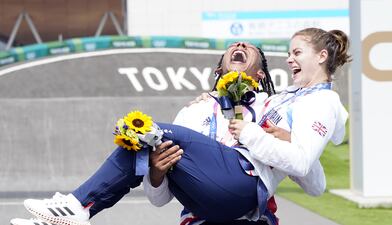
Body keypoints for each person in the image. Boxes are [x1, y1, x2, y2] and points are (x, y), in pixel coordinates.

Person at [12, 27, 350, 224]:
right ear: (218, 70)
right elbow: (159, 199)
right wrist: (157, 174)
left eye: (250, 49)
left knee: (147, 130)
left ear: (261, 75)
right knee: (144, 139)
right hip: (200, 213)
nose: (241, 45)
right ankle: (75, 209)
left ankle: (76, 206)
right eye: (233, 47)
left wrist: (276, 137)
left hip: (248, 211)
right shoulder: (193, 113)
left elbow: (308, 171)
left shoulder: (270, 107)